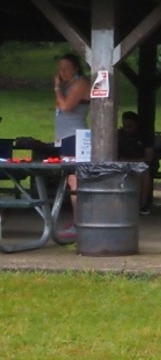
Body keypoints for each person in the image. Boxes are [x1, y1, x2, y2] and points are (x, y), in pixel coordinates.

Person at [53, 52, 90, 236]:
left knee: (76, 181)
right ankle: (77, 219)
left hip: (75, 136)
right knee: (71, 180)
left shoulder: (81, 83)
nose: (63, 72)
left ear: (76, 68)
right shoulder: (68, 85)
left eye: (67, 68)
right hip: (65, 137)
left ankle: (80, 222)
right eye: (61, 69)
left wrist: (57, 88)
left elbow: (66, 106)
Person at [116, 110, 157, 213]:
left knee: (144, 172)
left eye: (130, 126)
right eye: (125, 125)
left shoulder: (144, 136)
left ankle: (142, 203)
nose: (127, 129)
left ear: (136, 125)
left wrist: (131, 161)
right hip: (120, 163)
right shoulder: (118, 135)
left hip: (139, 163)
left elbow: (148, 157)